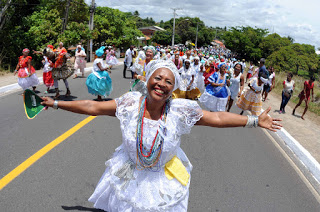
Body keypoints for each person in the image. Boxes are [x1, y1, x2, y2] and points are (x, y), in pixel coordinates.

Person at [41, 59, 281, 212]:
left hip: (162, 180)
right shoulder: (129, 104)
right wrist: (56, 103)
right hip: (129, 173)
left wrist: (253, 121)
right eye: (158, 78)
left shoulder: (179, 110)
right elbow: (92, 107)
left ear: (173, 88)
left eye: (168, 81)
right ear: (148, 80)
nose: (162, 84)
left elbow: (216, 118)